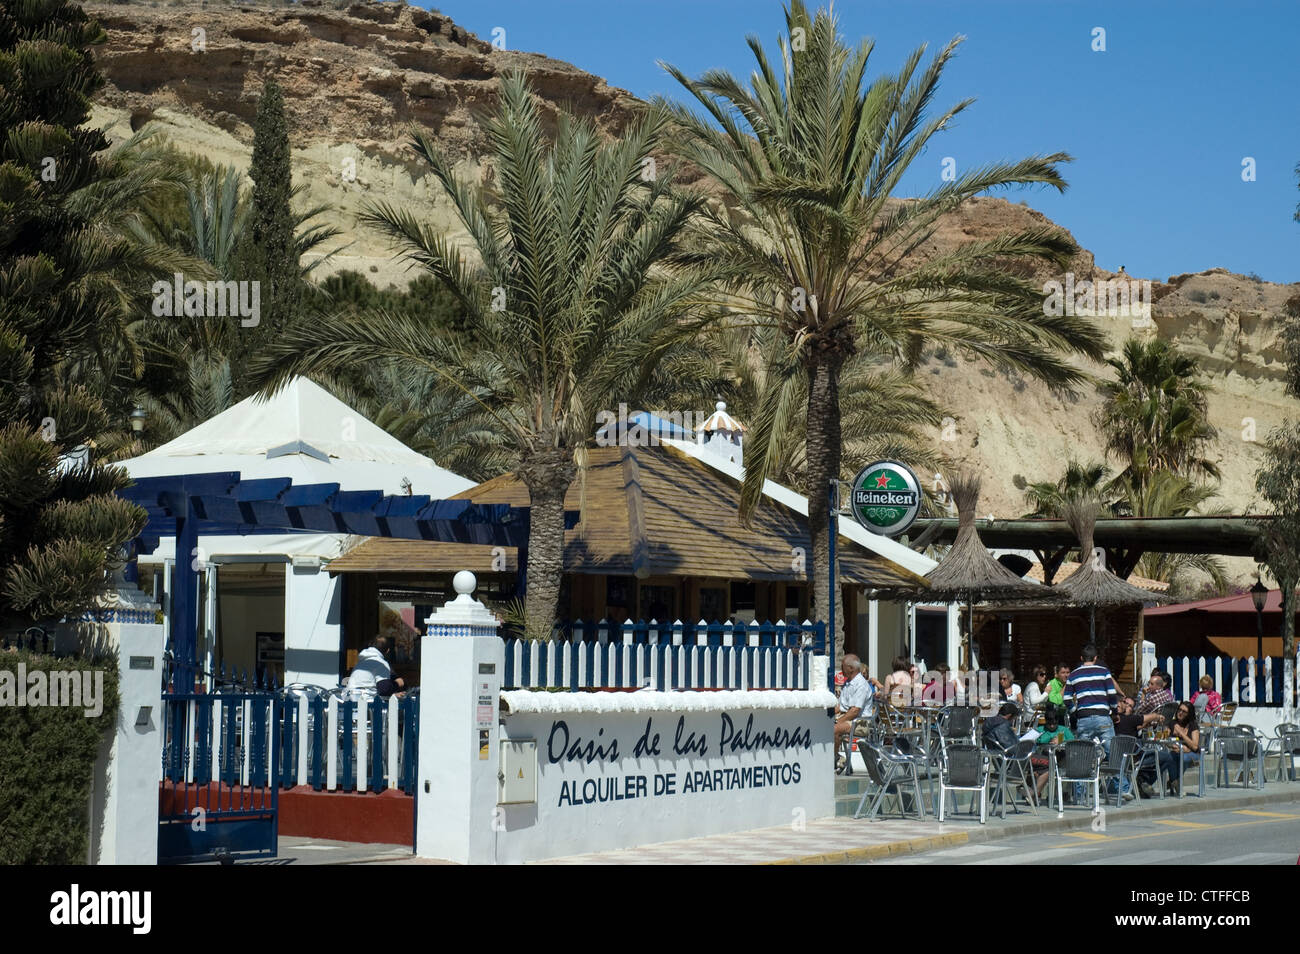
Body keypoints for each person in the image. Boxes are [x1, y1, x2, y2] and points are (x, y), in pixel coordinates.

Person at [834, 654, 875, 772]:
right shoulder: (848, 683)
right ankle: (837, 759)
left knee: (834, 729)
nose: (841, 669)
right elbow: (841, 706)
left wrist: (837, 721)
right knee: (825, 726)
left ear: (851, 668)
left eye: (843, 666)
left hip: (861, 722)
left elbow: (855, 711)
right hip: (849, 719)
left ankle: (836, 759)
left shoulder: (861, 685)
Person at [1155, 701, 1201, 796]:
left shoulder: (1193, 725)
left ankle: (1174, 781)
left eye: (1184, 711)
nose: (1180, 713)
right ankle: (1175, 782)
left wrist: (1181, 733)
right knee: (1170, 757)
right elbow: (1165, 739)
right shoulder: (1172, 723)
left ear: (1189, 714)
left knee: (1182, 758)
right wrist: (1172, 746)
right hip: (1176, 752)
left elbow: (1195, 747)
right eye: (1179, 710)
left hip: (1192, 754)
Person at [1031, 715, 1075, 797]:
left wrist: (1061, 741)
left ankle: (1035, 794)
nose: (1052, 726)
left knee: (1049, 767)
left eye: (1054, 724)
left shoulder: (1063, 730)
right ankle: (1035, 794)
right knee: (1044, 768)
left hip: (1060, 757)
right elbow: (1031, 740)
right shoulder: (1040, 730)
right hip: (1043, 756)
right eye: (1049, 724)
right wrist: (1049, 740)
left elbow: (1073, 741)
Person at [1045, 663, 1070, 727]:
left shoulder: (1072, 683)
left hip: (1070, 715)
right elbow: (1056, 701)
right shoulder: (1052, 683)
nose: (1066, 675)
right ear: (1057, 674)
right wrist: (1065, 686)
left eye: (1067, 672)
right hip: (1056, 717)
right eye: (1063, 673)